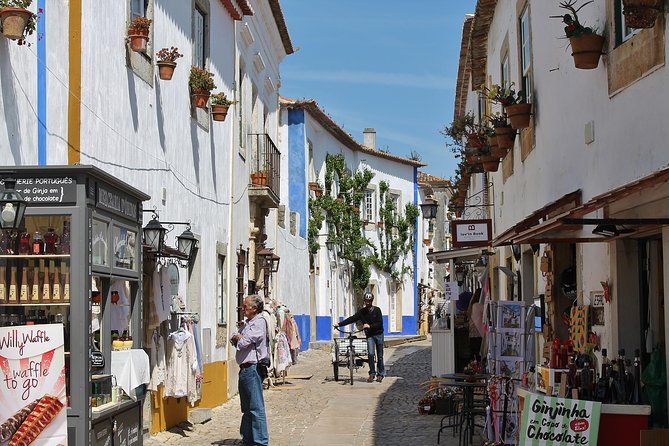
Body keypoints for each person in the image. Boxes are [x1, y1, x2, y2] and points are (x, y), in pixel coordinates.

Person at [230, 295, 269, 446]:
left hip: (253, 369)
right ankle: (248, 440)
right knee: (246, 408)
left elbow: (244, 342)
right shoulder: (247, 323)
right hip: (244, 369)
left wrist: (239, 338)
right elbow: (234, 337)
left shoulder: (259, 322)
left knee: (256, 408)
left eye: (245, 306)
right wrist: (238, 337)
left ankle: (260, 442)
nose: (243, 308)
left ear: (254, 308)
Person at [335, 292, 385, 383]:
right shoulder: (362, 312)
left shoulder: (377, 310)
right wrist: (339, 324)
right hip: (370, 336)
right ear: (364, 301)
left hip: (379, 334)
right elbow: (352, 318)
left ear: (372, 301)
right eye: (366, 300)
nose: (368, 302)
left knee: (380, 356)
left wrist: (369, 326)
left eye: (369, 300)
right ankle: (372, 373)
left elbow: (380, 323)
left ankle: (380, 374)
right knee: (370, 354)